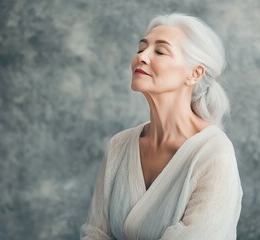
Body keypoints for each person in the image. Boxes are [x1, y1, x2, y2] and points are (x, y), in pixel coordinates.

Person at [80, 13, 243, 240]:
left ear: (194, 73)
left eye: (160, 51)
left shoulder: (214, 153)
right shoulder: (119, 146)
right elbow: (95, 233)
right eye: (141, 48)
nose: (141, 57)